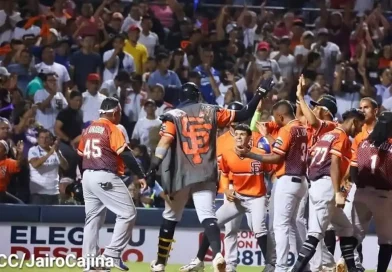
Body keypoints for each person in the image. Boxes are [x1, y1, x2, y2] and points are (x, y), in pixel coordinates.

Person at [148, 79, 274, 272]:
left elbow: (165, 141)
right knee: (208, 217)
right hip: (205, 172)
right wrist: (259, 92)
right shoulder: (212, 110)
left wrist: (153, 166)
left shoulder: (172, 115)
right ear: (197, 95)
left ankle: (160, 263)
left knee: (170, 217)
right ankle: (217, 255)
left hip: (180, 174)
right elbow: (246, 113)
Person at [180, 123, 272, 272]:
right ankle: (199, 260)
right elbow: (224, 173)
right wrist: (226, 190)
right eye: (237, 134)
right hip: (238, 198)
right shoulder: (228, 154)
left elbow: (271, 171)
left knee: (259, 228)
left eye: (242, 134)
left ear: (249, 138)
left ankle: (270, 264)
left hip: (257, 198)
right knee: (214, 223)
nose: (239, 137)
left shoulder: (259, 153)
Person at [291, 108, 365, 272]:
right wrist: (337, 191)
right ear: (353, 122)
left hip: (317, 184)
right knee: (315, 235)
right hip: (327, 186)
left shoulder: (326, 135)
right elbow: (334, 164)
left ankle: (352, 269)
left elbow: (311, 158)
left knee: (346, 229)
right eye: (360, 125)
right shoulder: (342, 136)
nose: (360, 129)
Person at [77, 97, 147, 271]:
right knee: (128, 213)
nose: (120, 115)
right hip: (104, 176)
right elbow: (126, 154)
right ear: (115, 112)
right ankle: (111, 255)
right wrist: (140, 174)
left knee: (93, 220)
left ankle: (90, 262)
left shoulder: (88, 129)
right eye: (120, 112)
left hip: (87, 175)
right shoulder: (111, 127)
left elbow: (81, 152)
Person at [350, 111, 392, 272]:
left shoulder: (364, 143)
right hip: (383, 195)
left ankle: (349, 265)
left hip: (361, 193)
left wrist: (358, 184)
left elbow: (353, 169)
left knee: (354, 236)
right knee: (386, 240)